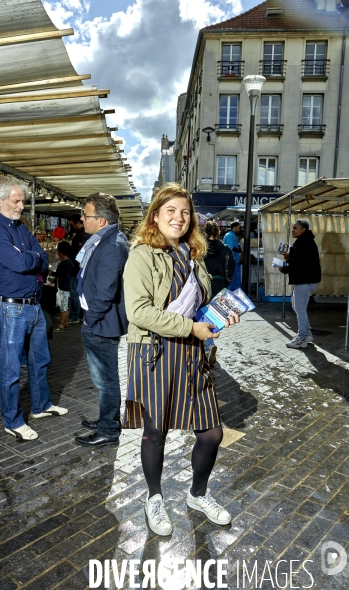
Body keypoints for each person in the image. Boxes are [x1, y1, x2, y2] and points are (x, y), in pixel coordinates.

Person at [123, 183, 233, 537]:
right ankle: (153, 498)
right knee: (156, 432)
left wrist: (218, 317)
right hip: (154, 351)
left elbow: (199, 302)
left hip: (190, 352)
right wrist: (192, 327)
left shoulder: (193, 254)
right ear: (155, 215)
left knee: (211, 433)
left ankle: (197, 494)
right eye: (170, 210)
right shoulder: (142, 254)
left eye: (185, 212)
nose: (179, 218)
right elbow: (139, 312)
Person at [0, 176, 68, 441]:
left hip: (33, 305)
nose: (20, 206)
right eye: (16, 201)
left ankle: (41, 406)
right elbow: (20, 262)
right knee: (11, 368)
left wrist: (30, 257)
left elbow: (41, 256)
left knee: (40, 359)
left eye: (22, 201)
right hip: (10, 308)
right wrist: (31, 258)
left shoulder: (19, 227)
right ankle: (13, 421)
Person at [74, 193, 128, 448]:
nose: (82, 219)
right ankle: (108, 419)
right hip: (98, 321)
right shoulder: (106, 239)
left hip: (101, 323)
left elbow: (106, 291)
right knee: (103, 379)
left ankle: (108, 429)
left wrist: (90, 319)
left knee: (107, 380)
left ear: (102, 221)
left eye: (86, 215)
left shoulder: (111, 244)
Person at [279, 219, 321, 349]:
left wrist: (286, 264)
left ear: (303, 229)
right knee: (297, 307)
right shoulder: (304, 241)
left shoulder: (304, 242)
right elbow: (300, 261)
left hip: (305, 280)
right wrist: (289, 260)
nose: (293, 230)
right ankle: (306, 334)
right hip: (304, 280)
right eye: (293, 228)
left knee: (300, 309)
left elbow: (300, 264)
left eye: (295, 228)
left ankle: (302, 338)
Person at [203, 221, 235, 364]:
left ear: (205, 232)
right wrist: (226, 282)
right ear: (218, 233)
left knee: (201, 315)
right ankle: (209, 343)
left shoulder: (200, 248)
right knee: (214, 315)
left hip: (203, 284)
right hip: (220, 283)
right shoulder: (226, 248)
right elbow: (231, 267)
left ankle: (207, 345)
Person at [67, 214, 91, 323]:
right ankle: (81, 315)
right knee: (80, 292)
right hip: (81, 268)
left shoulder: (81, 235)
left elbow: (79, 253)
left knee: (75, 293)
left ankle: (75, 316)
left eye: (72, 225)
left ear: (78, 223)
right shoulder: (85, 234)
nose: (72, 227)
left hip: (77, 268)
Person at [53, 240, 74, 332]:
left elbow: (63, 276)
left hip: (63, 288)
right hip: (67, 288)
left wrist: (55, 276)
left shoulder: (64, 264)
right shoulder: (69, 262)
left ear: (60, 252)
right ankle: (65, 322)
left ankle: (61, 325)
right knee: (65, 306)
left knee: (63, 307)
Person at [223, 221, 242, 290]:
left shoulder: (232, 235)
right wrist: (240, 251)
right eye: (238, 228)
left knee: (236, 277)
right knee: (231, 278)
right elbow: (231, 247)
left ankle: (235, 292)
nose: (239, 230)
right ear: (234, 227)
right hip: (231, 261)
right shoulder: (229, 235)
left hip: (235, 261)